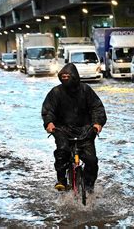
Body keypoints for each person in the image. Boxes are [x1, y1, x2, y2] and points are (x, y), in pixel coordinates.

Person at [42, 63, 107, 192]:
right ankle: (61, 180)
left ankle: (89, 186)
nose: (65, 79)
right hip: (62, 130)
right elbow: (49, 110)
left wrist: (97, 123)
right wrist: (49, 123)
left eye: (68, 76)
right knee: (62, 151)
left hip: (85, 130)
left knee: (91, 160)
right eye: (63, 76)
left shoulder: (86, 90)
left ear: (75, 77)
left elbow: (96, 108)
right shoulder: (56, 92)